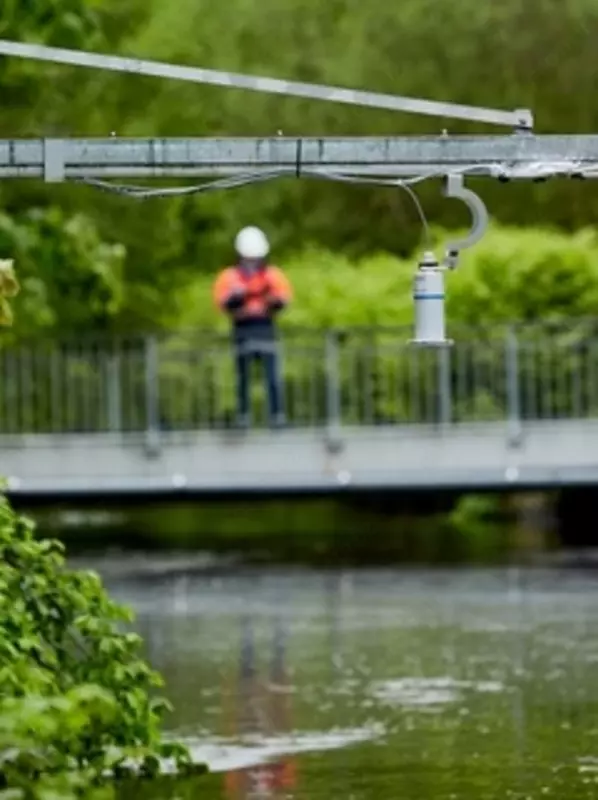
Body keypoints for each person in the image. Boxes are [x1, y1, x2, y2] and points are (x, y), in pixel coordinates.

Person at [213, 226, 292, 428]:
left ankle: (276, 415)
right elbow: (222, 303)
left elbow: (284, 299)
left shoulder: (272, 275)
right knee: (243, 377)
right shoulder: (230, 276)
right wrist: (239, 296)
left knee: (272, 376)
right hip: (242, 328)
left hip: (265, 327)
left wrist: (268, 298)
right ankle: (243, 416)